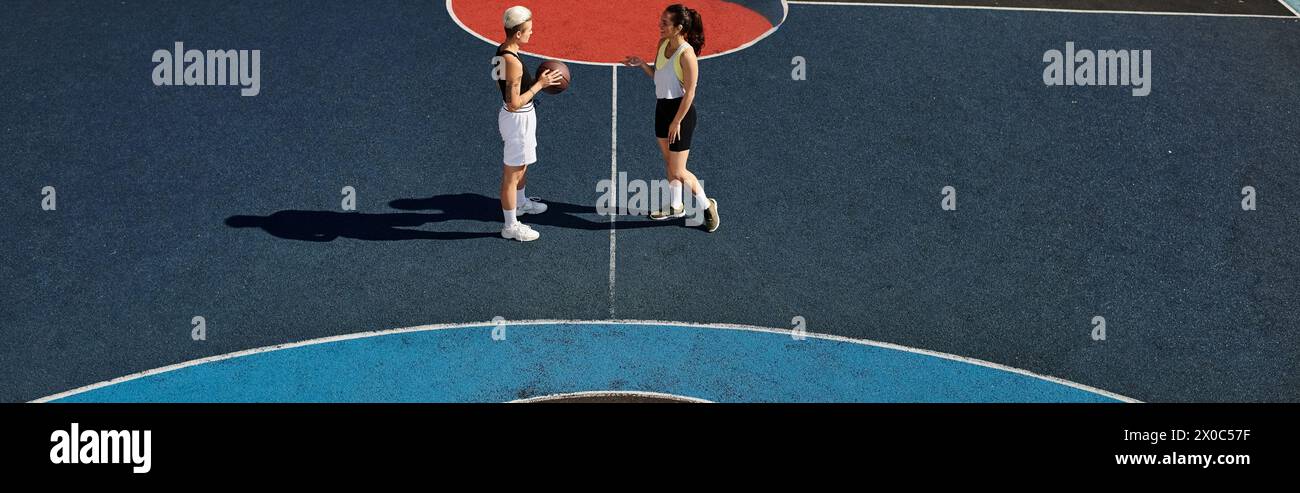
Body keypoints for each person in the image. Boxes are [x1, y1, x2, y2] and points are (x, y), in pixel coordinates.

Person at [622, 4, 719, 232]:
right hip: (662, 109)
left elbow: (691, 92)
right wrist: (643, 65)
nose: (660, 26)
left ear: (679, 27)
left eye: (665, 23)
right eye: (661, 22)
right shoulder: (663, 44)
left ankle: (707, 206)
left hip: (681, 115)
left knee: (678, 171)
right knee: (669, 163)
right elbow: (660, 77)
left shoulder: (687, 55)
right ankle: (676, 205)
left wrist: (676, 121)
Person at [496, 6, 563, 241]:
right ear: (517, 33)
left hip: (517, 117)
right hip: (517, 118)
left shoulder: (501, 51)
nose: (531, 33)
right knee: (511, 175)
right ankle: (510, 225)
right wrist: (539, 85)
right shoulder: (512, 61)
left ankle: (521, 202)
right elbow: (514, 102)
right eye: (528, 30)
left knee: (521, 165)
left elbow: (502, 89)